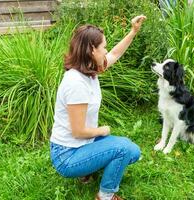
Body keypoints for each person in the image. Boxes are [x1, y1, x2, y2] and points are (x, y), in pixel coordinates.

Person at [50, 15, 146, 200]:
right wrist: (103, 130)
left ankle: (88, 168)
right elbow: (78, 131)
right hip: (67, 155)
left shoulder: (90, 69)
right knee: (123, 149)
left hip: (83, 145)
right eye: (103, 47)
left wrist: (133, 31)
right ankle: (105, 195)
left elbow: (115, 54)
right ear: (91, 50)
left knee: (133, 152)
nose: (106, 51)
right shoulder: (76, 83)